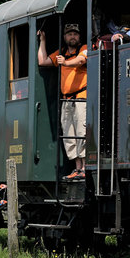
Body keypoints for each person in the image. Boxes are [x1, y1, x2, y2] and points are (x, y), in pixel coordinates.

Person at [38, 23, 88, 179]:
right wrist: (43, 41)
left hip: (81, 98)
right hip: (66, 100)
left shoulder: (84, 48)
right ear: (65, 37)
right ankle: (77, 168)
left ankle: (85, 168)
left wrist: (65, 63)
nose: (72, 36)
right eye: (69, 34)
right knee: (69, 134)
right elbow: (42, 61)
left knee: (81, 132)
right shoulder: (62, 53)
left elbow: (80, 61)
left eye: (75, 34)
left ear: (79, 37)